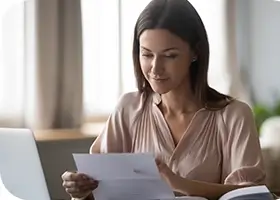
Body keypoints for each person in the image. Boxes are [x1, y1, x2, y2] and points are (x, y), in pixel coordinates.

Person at [61, 0, 266, 199]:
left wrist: (180, 184)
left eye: (170, 56)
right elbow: (101, 189)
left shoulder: (234, 115)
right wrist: (82, 190)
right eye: (147, 54)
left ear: (195, 52)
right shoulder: (128, 109)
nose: (155, 69)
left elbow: (249, 193)